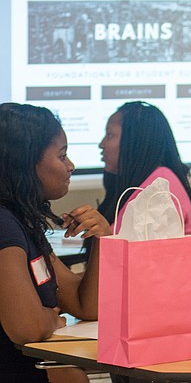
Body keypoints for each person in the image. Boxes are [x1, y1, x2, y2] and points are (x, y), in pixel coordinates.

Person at [0, 103, 112, 382]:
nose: (71, 166)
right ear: (25, 163)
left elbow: (84, 304)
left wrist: (101, 239)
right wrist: (51, 317)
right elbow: (26, 328)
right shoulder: (3, 225)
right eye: (62, 155)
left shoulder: (21, 219)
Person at [96, 101, 191, 295]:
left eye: (110, 135)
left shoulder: (159, 187)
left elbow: (131, 262)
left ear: (134, 141)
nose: (102, 144)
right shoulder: (144, 181)